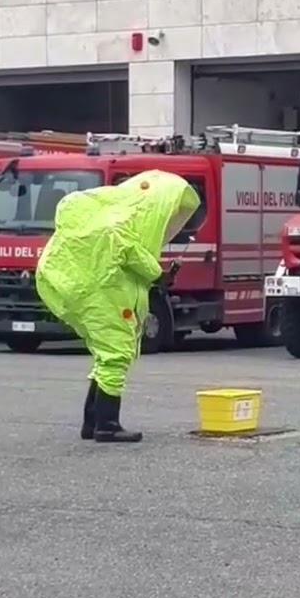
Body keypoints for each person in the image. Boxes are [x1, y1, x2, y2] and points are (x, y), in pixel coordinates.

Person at [35, 169, 201, 443]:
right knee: (116, 354)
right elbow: (131, 253)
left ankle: (93, 422)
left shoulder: (105, 215)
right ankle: (107, 425)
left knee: (105, 355)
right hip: (101, 293)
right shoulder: (119, 224)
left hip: (82, 289)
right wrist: (161, 275)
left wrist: (158, 276)